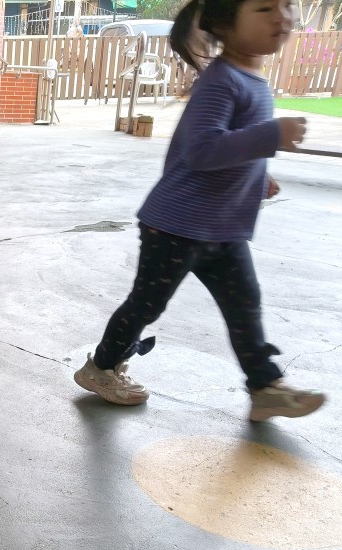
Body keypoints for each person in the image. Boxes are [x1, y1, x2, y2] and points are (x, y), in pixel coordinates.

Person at [74, 0, 326, 422]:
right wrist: (271, 135)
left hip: (222, 230)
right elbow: (202, 150)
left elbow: (233, 145)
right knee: (146, 305)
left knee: (245, 305)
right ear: (225, 25)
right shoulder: (221, 81)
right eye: (265, 8)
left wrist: (257, 177)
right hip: (176, 227)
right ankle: (100, 367)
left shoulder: (252, 79)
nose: (283, 16)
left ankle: (265, 387)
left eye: (286, 5)